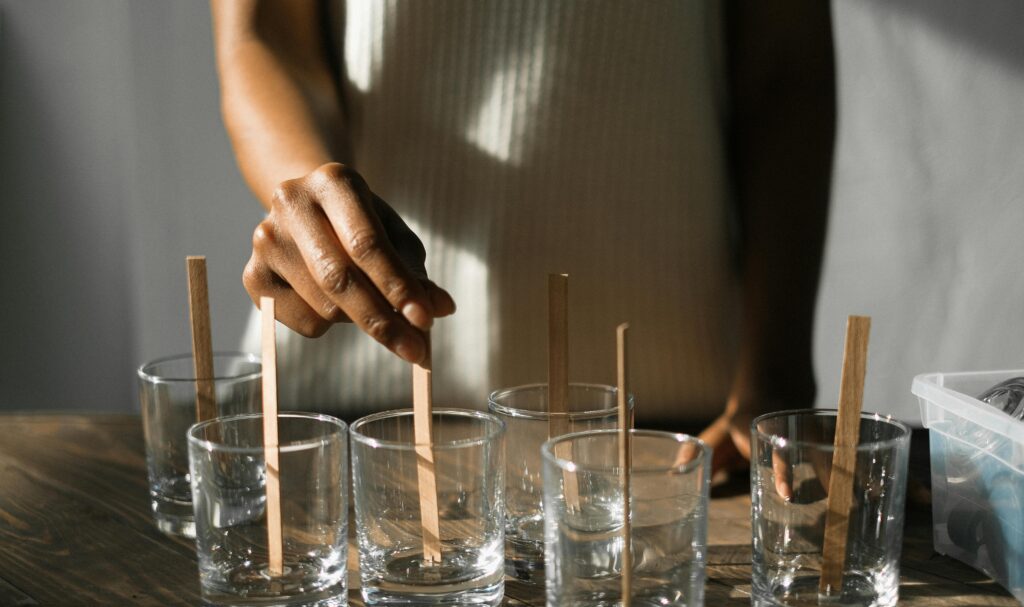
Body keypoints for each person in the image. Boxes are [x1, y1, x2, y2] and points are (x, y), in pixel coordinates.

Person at [211, 0, 835, 473]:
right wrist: (308, 200)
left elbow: (785, 69)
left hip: (682, 420)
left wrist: (774, 380)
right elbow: (263, 34)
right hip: (345, 409)